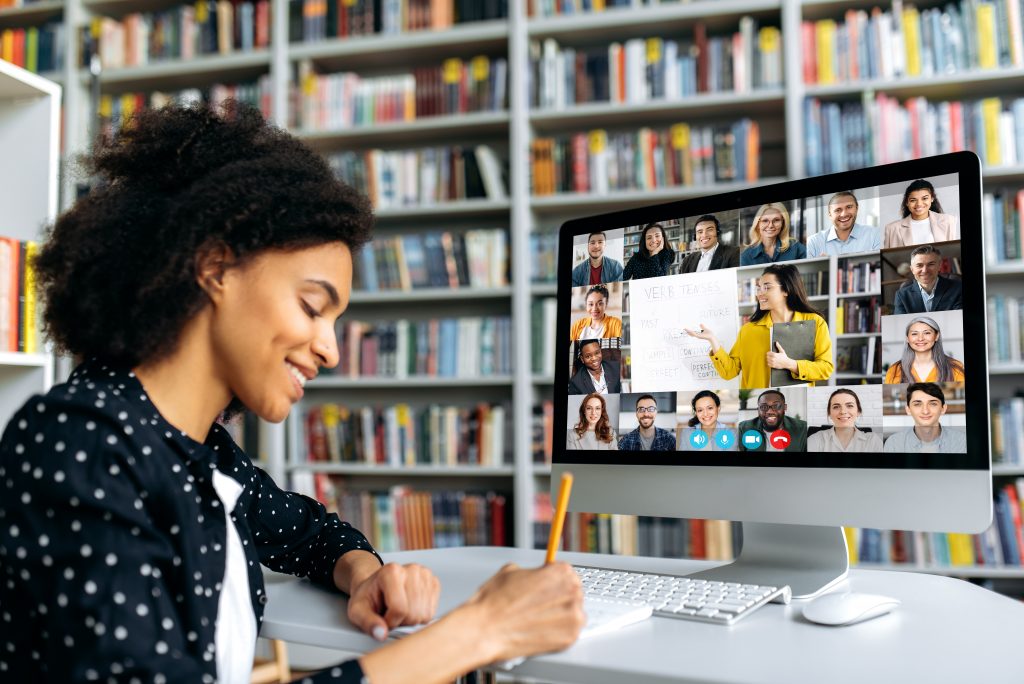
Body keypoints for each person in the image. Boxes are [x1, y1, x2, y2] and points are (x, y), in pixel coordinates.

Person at [0, 102, 585, 683]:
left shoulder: (199, 450)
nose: (329, 350)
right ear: (215, 267)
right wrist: (480, 632)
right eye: (312, 306)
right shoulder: (79, 442)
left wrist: (362, 573)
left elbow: (311, 534)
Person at [685, 264, 834, 389]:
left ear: (786, 290)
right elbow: (729, 371)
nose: (759, 294)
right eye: (758, 288)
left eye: (767, 287)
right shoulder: (749, 330)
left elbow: (826, 369)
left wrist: (791, 364)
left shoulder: (815, 322)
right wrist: (712, 340)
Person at [884, 382, 968, 453]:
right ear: (908, 410)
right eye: (917, 404)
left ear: (943, 409)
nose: (925, 411)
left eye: (932, 404)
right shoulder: (893, 444)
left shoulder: (961, 442)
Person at [884, 316, 965, 384]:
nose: (920, 338)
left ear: (936, 336)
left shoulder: (955, 367)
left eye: (927, 333)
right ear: (907, 338)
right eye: (914, 334)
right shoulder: (894, 370)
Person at [883, 179, 960, 248]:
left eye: (924, 198)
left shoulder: (948, 221)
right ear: (907, 202)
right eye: (913, 200)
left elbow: (953, 252)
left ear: (932, 198)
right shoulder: (892, 229)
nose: (919, 204)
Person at [805, 191, 882, 257]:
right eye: (838, 210)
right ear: (830, 214)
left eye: (849, 207)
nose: (844, 214)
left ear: (857, 208)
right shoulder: (814, 242)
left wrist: (831, 263)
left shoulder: (875, 235)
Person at [892, 244, 963, 314]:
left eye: (931, 264)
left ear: (939, 266)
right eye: (919, 265)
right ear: (912, 269)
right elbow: (901, 324)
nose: (925, 270)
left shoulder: (958, 288)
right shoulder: (901, 295)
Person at [806, 389, 884, 452]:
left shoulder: (873, 441)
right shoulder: (815, 440)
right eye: (836, 407)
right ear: (829, 413)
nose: (843, 411)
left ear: (858, 411)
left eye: (849, 406)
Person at [736, 389, 808, 452]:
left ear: (784, 407)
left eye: (776, 406)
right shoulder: (743, 428)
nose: (770, 411)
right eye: (764, 407)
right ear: (758, 409)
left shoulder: (803, 428)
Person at [739, 203, 806, 265]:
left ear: (783, 223)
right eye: (765, 221)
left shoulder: (795, 247)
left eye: (776, 220)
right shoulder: (746, 256)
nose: (770, 225)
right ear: (758, 225)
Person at [675, 215, 740, 273]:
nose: (704, 235)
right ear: (695, 236)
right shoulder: (687, 260)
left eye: (709, 230)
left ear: (717, 232)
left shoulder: (734, 253)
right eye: (700, 232)